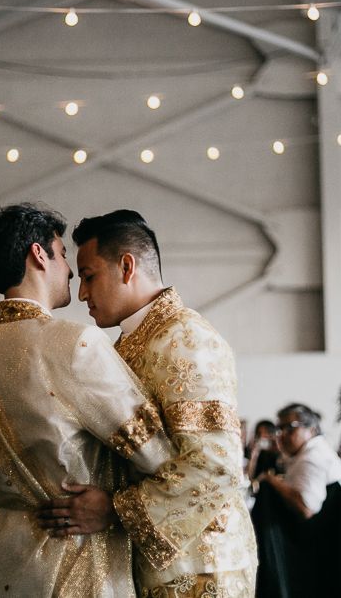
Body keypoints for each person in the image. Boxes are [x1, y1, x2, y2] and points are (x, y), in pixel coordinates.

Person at [0, 203, 175, 596]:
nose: (71, 271)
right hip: (79, 559)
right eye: (61, 253)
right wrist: (116, 505)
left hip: (4, 561)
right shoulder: (75, 343)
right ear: (38, 255)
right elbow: (156, 452)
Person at [39, 209, 257, 596]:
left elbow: (216, 467)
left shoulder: (188, 338)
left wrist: (114, 509)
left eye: (89, 277)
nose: (82, 294)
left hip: (204, 564)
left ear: (126, 266)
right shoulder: (128, 344)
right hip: (156, 561)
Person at [262, 404, 341, 518]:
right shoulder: (307, 451)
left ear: (312, 430)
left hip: (329, 531)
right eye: (280, 429)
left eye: (290, 428)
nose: (282, 435)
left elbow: (306, 508)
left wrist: (273, 481)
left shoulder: (313, 456)